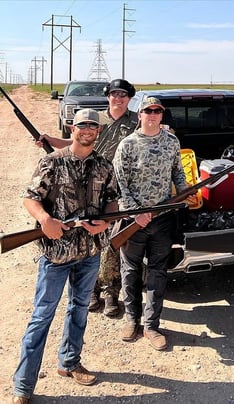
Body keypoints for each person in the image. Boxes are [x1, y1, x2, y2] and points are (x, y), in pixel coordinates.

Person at [12, 109, 119, 404]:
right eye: (82, 125)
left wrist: (107, 222)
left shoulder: (103, 166)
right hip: (56, 255)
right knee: (42, 316)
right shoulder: (51, 161)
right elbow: (30, 197)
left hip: (89, 253)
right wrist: (45, 219)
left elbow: (112, 201)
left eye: (92, 126)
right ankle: (23, 386)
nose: (87, 130)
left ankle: (69, 363)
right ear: (72, 128)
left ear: (98, 132)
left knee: (80, 309)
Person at [40, 78, 138, 317]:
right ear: (108, 96)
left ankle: (111, 294)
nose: (118, 98)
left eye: (123, 94)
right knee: (87, 237)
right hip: (92, 184)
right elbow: (78, 143)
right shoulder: (96, 120)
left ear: (129, 98)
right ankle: (91, 291)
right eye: (114, 94)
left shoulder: (137, 120)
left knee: (113, 241)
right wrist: (52, 142)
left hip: (121, 187)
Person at [113, 97, 187, 351]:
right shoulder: (128, 145)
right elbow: (119, 184)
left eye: (157, 111)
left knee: (158, 272)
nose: (153, 114)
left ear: (161, 115)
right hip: (134, 221)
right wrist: (136, 214)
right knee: (131, 270)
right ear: (139, 115)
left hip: (163, 219)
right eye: (148, 111)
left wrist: (185, 192)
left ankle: (151, 325)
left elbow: (177, 172)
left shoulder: (172, 142)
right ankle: (131, 319)